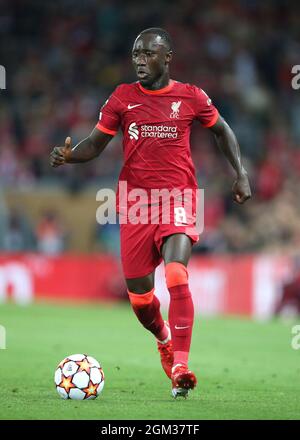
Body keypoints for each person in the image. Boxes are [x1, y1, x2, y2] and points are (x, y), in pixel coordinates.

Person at [50, 28, 251, 398]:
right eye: (135, 54)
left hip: (179, 198)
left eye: (148, 54)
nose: (140, 60)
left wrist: (240, 174)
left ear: (167, 57)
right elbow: (95, 144)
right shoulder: (123, 98)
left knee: (177, 275)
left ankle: (181, 366)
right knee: (141, 300)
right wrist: (70, 155)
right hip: (135, 206)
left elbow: (223, 131)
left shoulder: (191, 96)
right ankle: (163, 339)